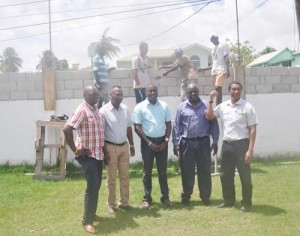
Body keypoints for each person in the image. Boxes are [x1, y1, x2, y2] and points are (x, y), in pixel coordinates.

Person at [206, 81, 259, 212]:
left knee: (245, 176)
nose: (235, 91)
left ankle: (246, 203)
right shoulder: (223, 106)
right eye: (233, 89)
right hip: (227, 145)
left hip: (242, 145)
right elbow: (209, 116)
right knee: (225, 175)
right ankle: (229, 200)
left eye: (238, 89)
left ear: (240, 91)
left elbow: (252, 129)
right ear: (229, 91)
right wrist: (211, 100)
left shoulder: (247, 107)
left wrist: (250, 149)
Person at [63, 85, 104, 234]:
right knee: (92, 187)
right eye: (92, 95)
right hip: (88, 156)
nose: (96, 97)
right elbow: (67, 129)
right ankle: (87, 222)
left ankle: (92, 213)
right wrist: (75, 149)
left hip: (98, 155)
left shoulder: (95, 109)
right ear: (85, 95)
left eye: (97, 94)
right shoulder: (82, 110)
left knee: (96, 185)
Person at [172, 83, 219, 206]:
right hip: (187, 143)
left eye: (195, 91)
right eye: (190, 92)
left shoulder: (206, 105)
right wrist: (176, 143)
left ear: (198, 92)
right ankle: (186, 195)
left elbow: (214, 124)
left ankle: (205, 196)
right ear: (187, 93)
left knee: (205, 170)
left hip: (203, 142)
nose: (193, 94)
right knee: (187, 170)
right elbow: (177, 126)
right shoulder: (181, 107)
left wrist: (215, 141)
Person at [132, 84, 172, 209]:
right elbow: (137, 127)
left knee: (162, 171)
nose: (153, 93)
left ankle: (165, 197)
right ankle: (147, 199)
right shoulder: (140, 107)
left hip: (162, 142)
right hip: (147, 142)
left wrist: (165, 141)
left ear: (157, 92)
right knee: (147, 172)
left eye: (154, 90)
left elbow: (169, 125)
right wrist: (149, 143)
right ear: (146, 92)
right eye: (150, 91)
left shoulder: (164, 106)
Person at [99, 86, 135, 214]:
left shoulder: (125, 109)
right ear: (110, 95)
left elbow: (129, 128)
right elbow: (101, 133)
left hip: (124, 146)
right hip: (110, 147)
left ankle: (124, 202)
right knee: (111, 178)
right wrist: (104, 152)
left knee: (125, 176)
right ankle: (111, 204)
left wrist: (131, 145)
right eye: (116, 94)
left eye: (121, 95)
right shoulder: (104, 111)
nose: (119, 97)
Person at [199, 35, 230, 105]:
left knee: (218, 87)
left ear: (217, 38)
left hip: (221, 69)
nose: (213, 41)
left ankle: (219, 103)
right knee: (217, 88)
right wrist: (204, 69)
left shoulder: (223, 45)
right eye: (212, 40)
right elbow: (214, 62)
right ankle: (218, 102)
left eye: (214, 39)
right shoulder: (213, 49)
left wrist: (228, 69)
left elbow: (226, 58)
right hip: (214, 70)